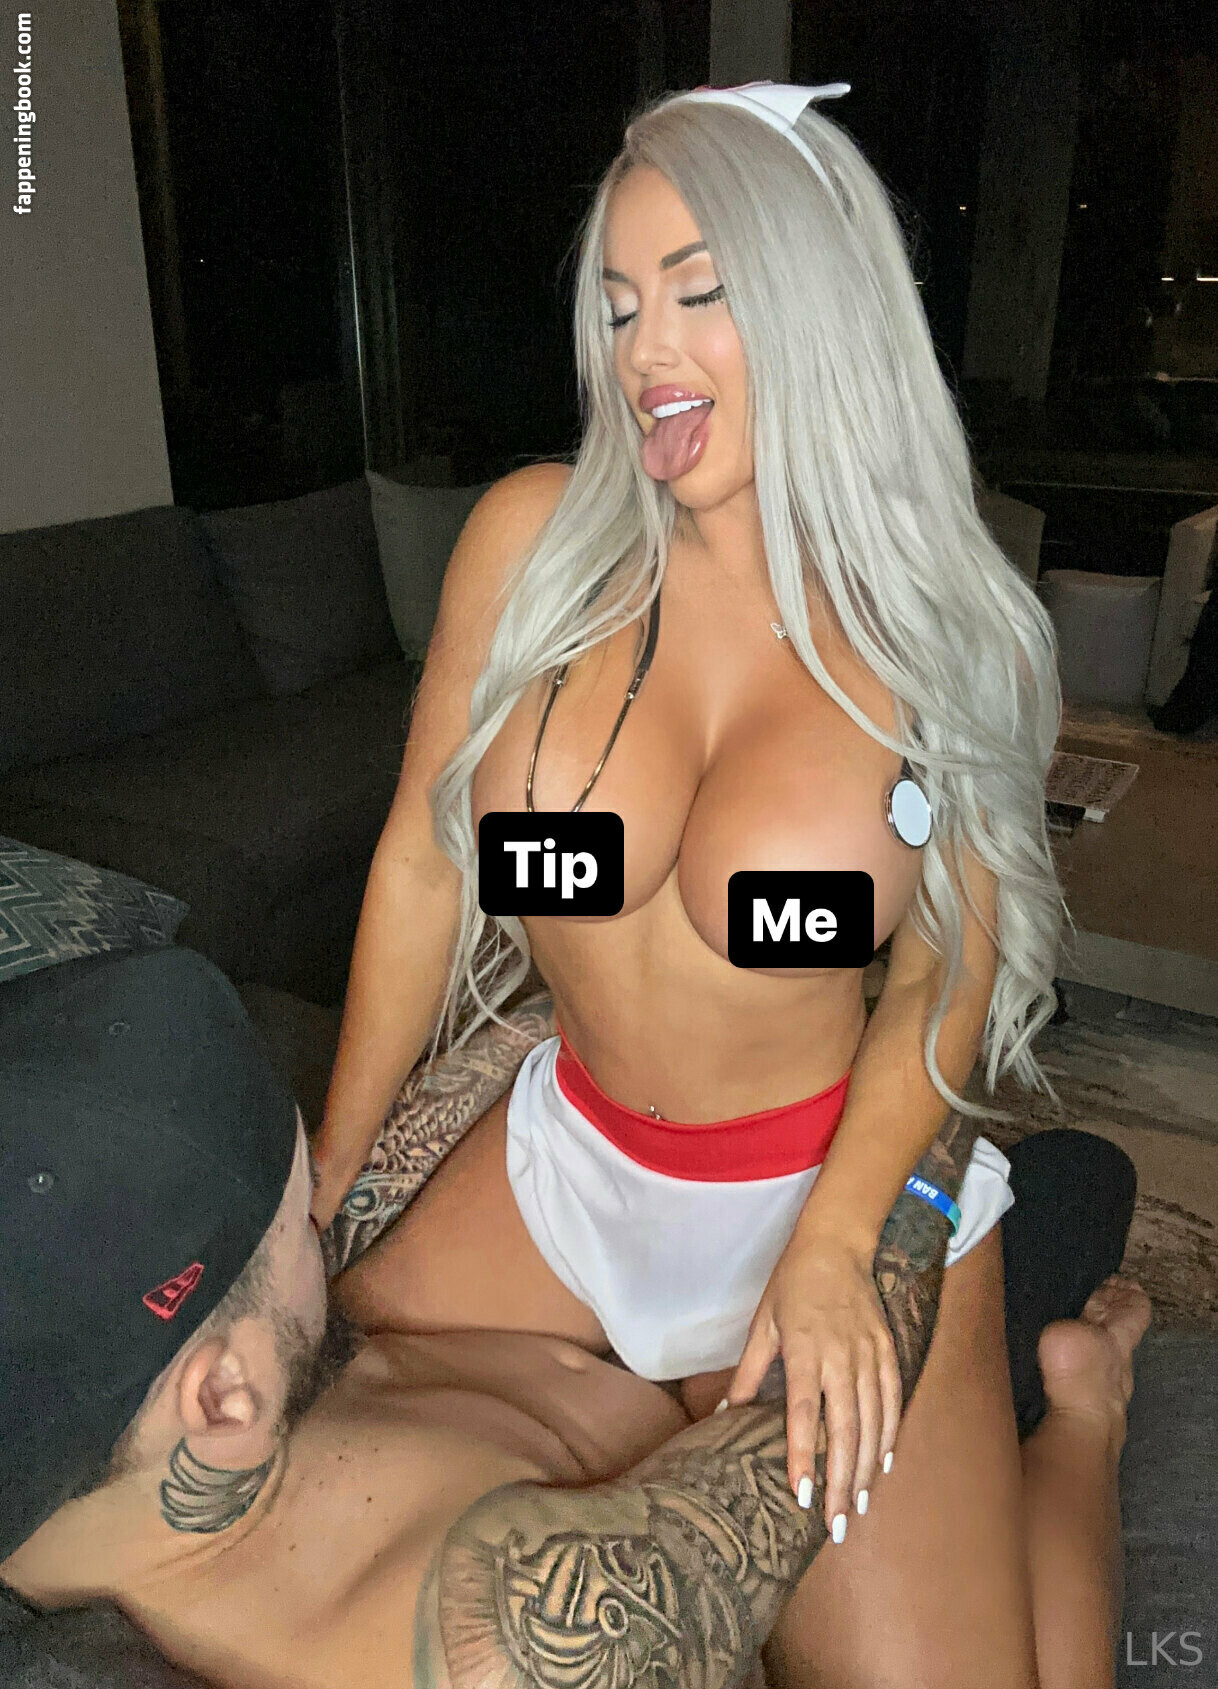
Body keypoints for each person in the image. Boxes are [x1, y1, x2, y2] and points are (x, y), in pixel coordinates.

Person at [315, 76, 1065, 1583]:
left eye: (699, 293)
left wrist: (836, 1242)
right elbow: (427, 862)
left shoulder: (935, 629)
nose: (644, 352)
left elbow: (946, 965)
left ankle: (1087, 1416)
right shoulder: (531, 546)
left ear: (817, 305)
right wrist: (324, 1177)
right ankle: (633, 1407)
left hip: (811, 1187)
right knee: (328, 1472)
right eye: (617, 308)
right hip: (571, 1160)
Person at [0, 948, 1153, 1689]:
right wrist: (933, 1014)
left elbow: (446, 1112)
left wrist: (618, 976)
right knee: (1074, 1186)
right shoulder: (505, 1643)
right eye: (293, 1216)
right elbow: (831, 1385)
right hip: (756, 1465)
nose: (321, 1201)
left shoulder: (92, 1402)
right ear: (223, 1393)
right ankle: (1087, 1413)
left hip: (629, 1391)